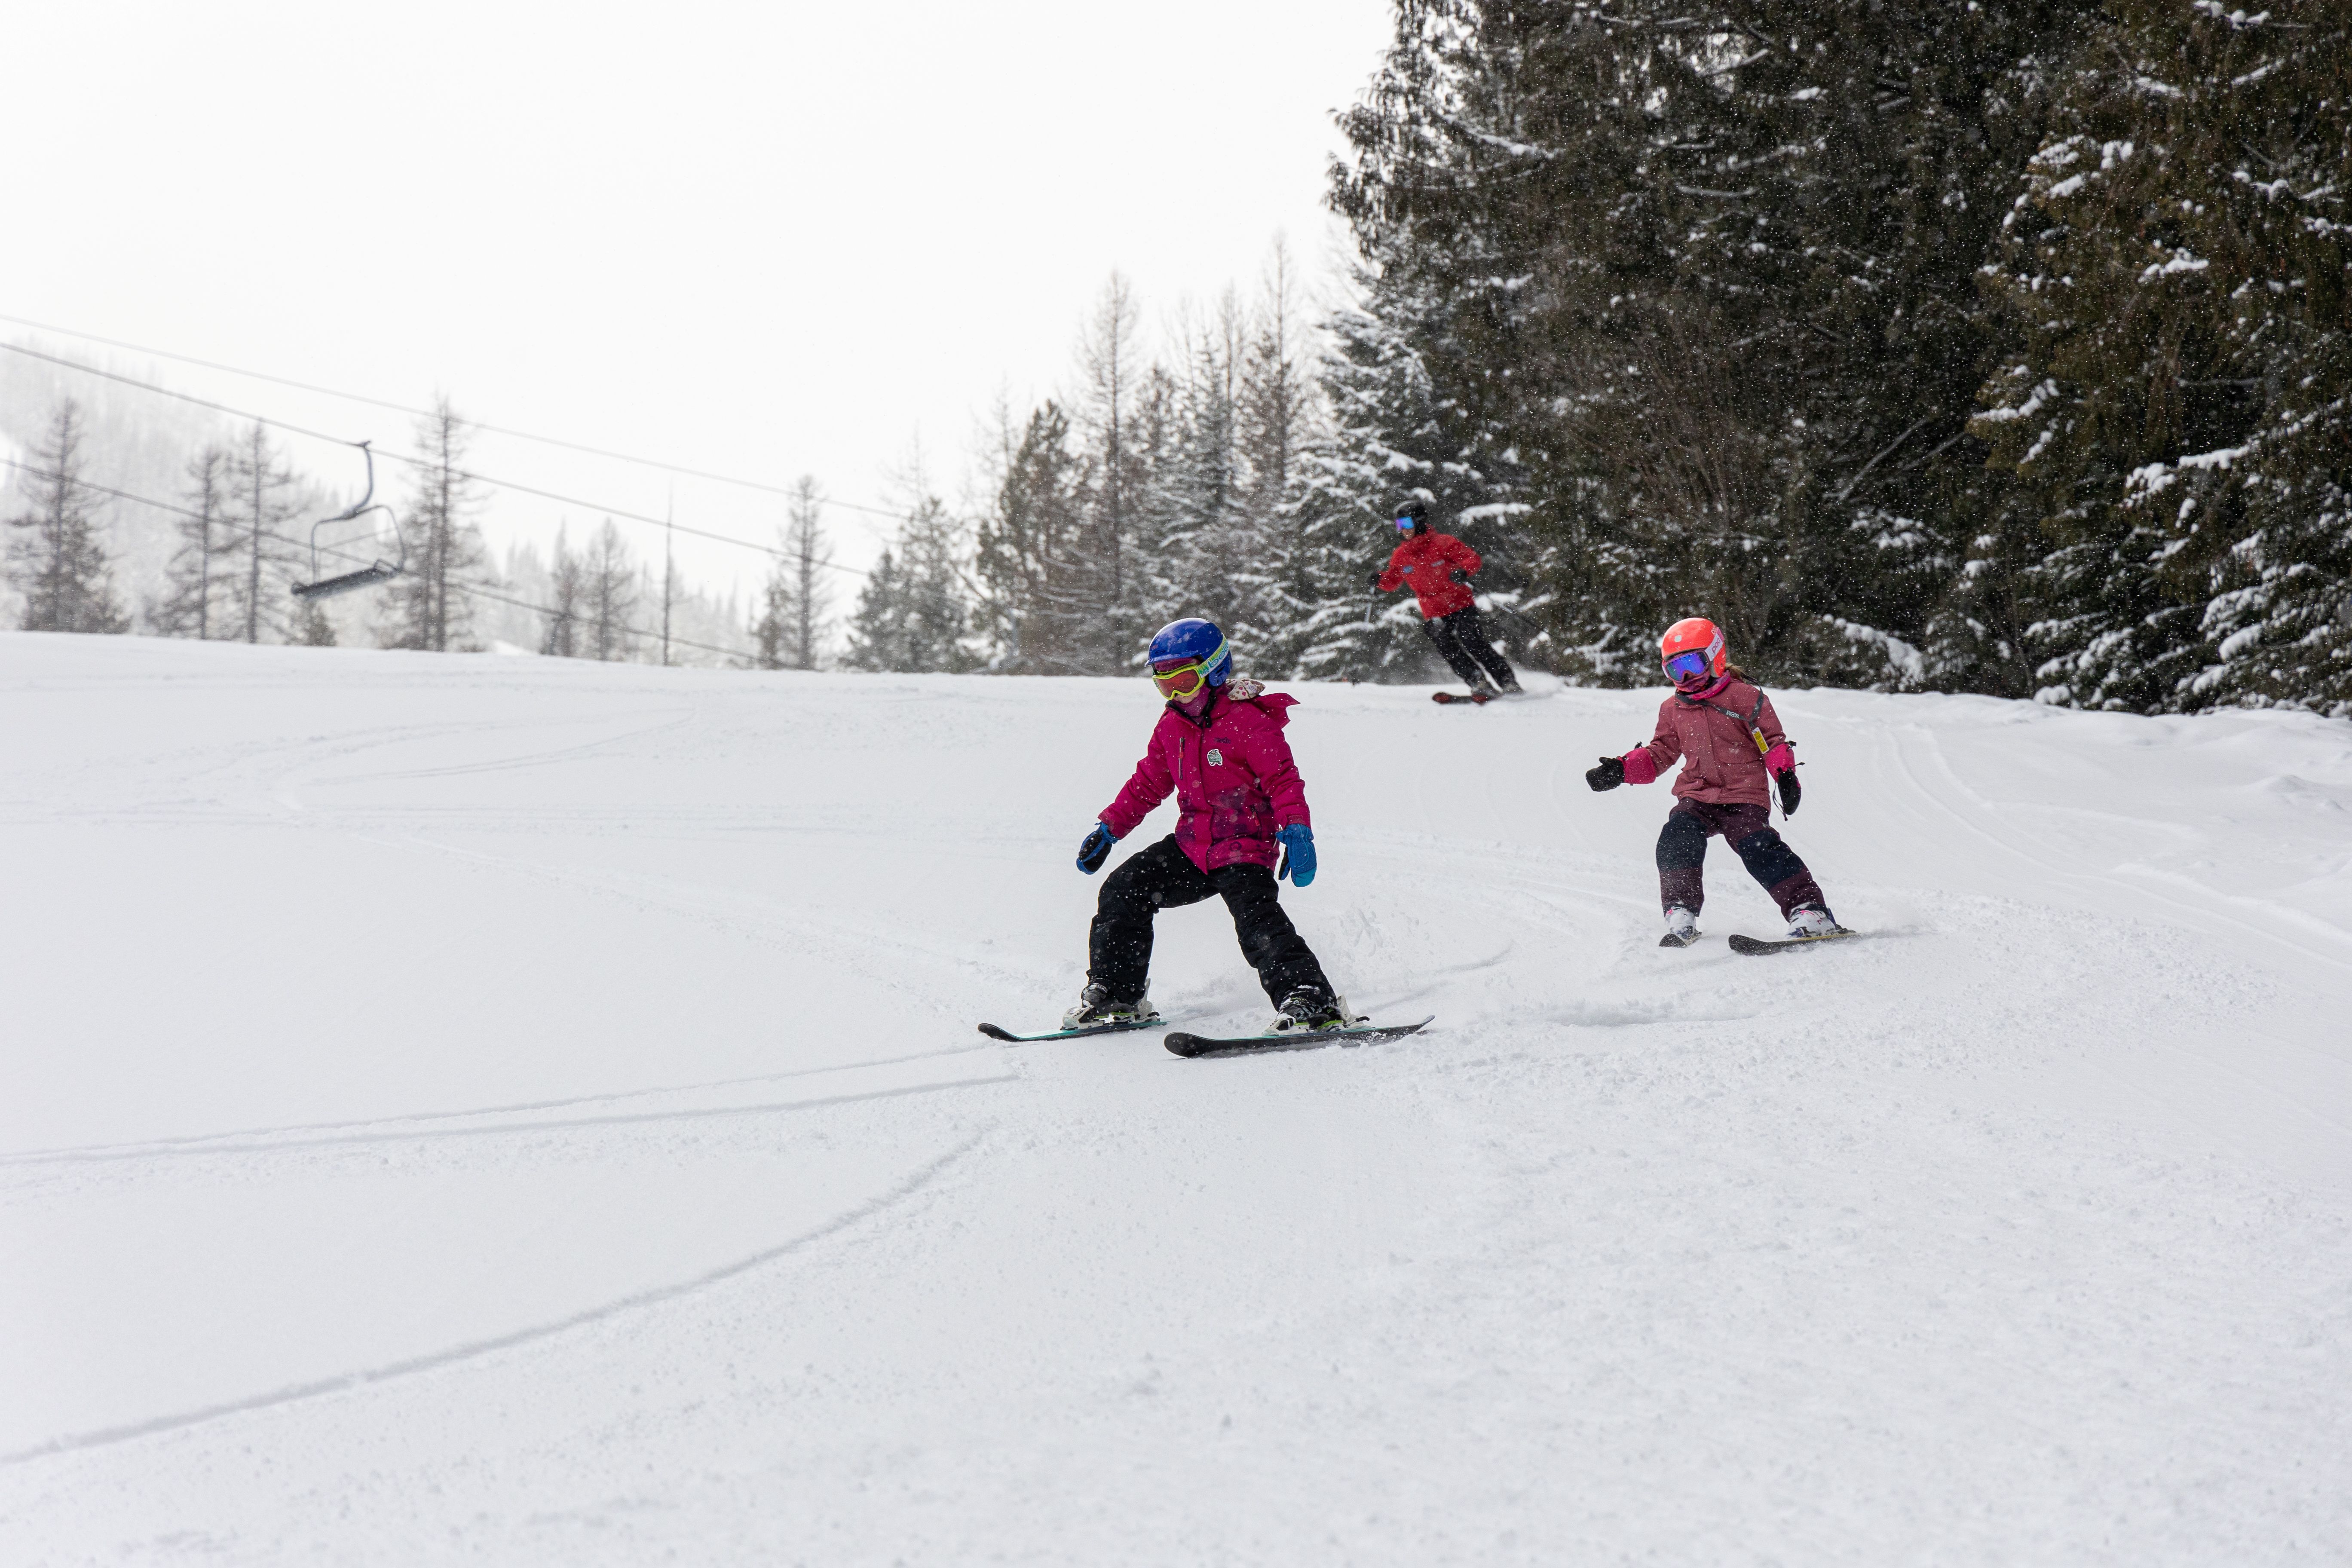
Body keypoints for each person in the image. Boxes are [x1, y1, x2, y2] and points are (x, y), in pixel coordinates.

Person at [1064, 617, 1353, 1034]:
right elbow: (1148, 783)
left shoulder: (1249, 722)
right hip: (1192, 848)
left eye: (1184, 681)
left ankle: (1311, 998)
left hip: (1244, 847)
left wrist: (1297, 829)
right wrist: (1110, 828)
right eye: (1165, 685)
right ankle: (1118, 994)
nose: (1176, 695)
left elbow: (1283, 780)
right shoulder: (1172, 727)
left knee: (1257, 922)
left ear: (1214, 671)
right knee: (1124, 889)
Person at [1584, 617, 1844, 946]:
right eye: (1676, 670)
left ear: (1716, 656)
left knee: (1758, 847)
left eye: (1693, 665)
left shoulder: (1745, 699)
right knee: (1676, 836)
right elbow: (1660, 753)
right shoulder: (1673, 709)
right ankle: (1681, 910)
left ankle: (1810, 911)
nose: (1686, 677)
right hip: (1698, 795)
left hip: (1743, 795)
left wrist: (1785, 775)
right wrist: (1622, 770)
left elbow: (1771, 743)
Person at [1372, 501, 1522, 695]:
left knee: (1473, 642)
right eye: (1399, 525)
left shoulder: (1443, 543)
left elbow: (1472, 559)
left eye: (1407, 524)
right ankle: (1478, 681)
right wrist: (1379, 579)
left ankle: (1507, 681)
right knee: (1447, 648)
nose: (1403, 530)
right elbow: (1392, 582)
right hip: (1434, 612)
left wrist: (1463, 571)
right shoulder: (1401, 555)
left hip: (1460, 604)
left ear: (1419, 522)